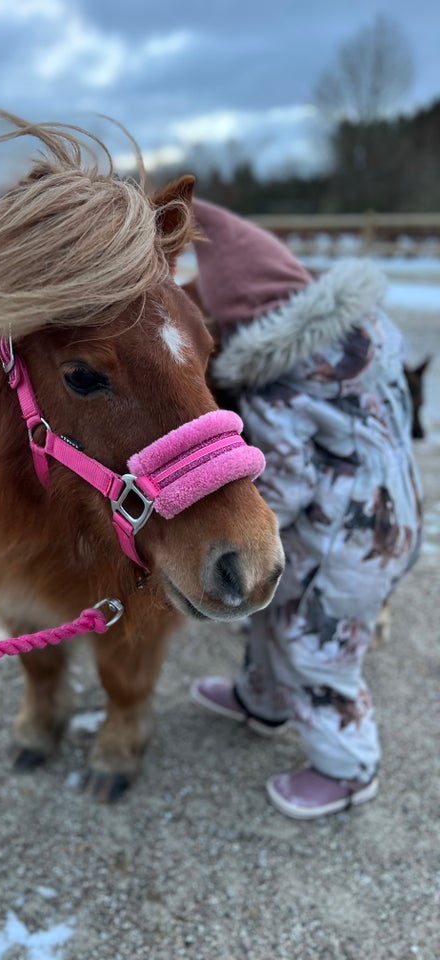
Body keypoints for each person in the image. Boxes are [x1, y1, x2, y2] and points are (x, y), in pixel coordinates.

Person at [186, 199, 423, 819]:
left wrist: (228, 521)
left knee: (320, 646)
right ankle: (260, 700)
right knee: (275, 613)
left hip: (349, 546)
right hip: (389, 518)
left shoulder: (278, 384)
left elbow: (283, 487)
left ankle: (349, 769)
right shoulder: (367, 338)